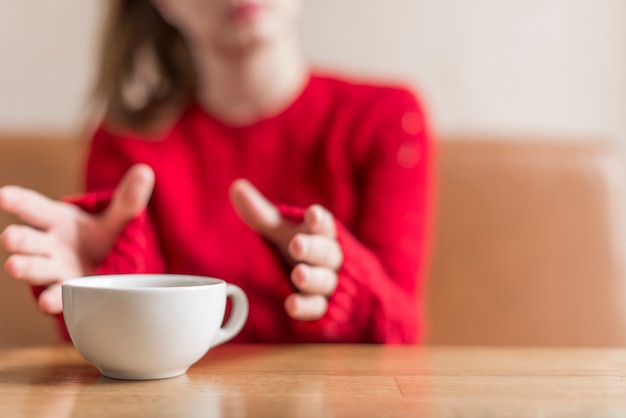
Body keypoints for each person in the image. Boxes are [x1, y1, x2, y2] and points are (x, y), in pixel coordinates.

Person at [0, 0, 432, 343]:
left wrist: (345, 287)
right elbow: (128, 355)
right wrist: (105, 286)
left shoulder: (386, 119)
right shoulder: (124, 143)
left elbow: (402, 331)